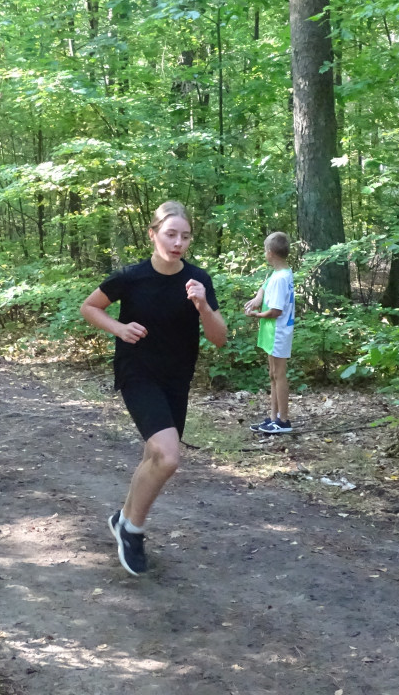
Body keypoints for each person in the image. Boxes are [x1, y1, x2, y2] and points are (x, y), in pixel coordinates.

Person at [80, 201, 227, 576]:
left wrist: (202, 306)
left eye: (185, 236)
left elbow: (219, 338)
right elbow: (90, 307)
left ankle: (123, 518)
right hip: (137, 371)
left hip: (176, 377)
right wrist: (119, 328)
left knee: (154, 456)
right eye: (170, 234)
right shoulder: (131, 277)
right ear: (153, 234)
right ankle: (133, 529)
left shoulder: (197, 279)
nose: (178, 243)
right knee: (168, 457)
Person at [244, 231, 296, 434]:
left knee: (279, 374)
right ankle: (273, 418)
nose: (264, 254)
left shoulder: (280, 279)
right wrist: (257, 298)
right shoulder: (280, 272)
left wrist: (256, 315)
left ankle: (283, 420)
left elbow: (275, 311)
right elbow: (264, 287)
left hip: (278, 332)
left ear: (271, 253)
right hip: (271, 332)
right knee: (272, 374)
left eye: (265, 250)